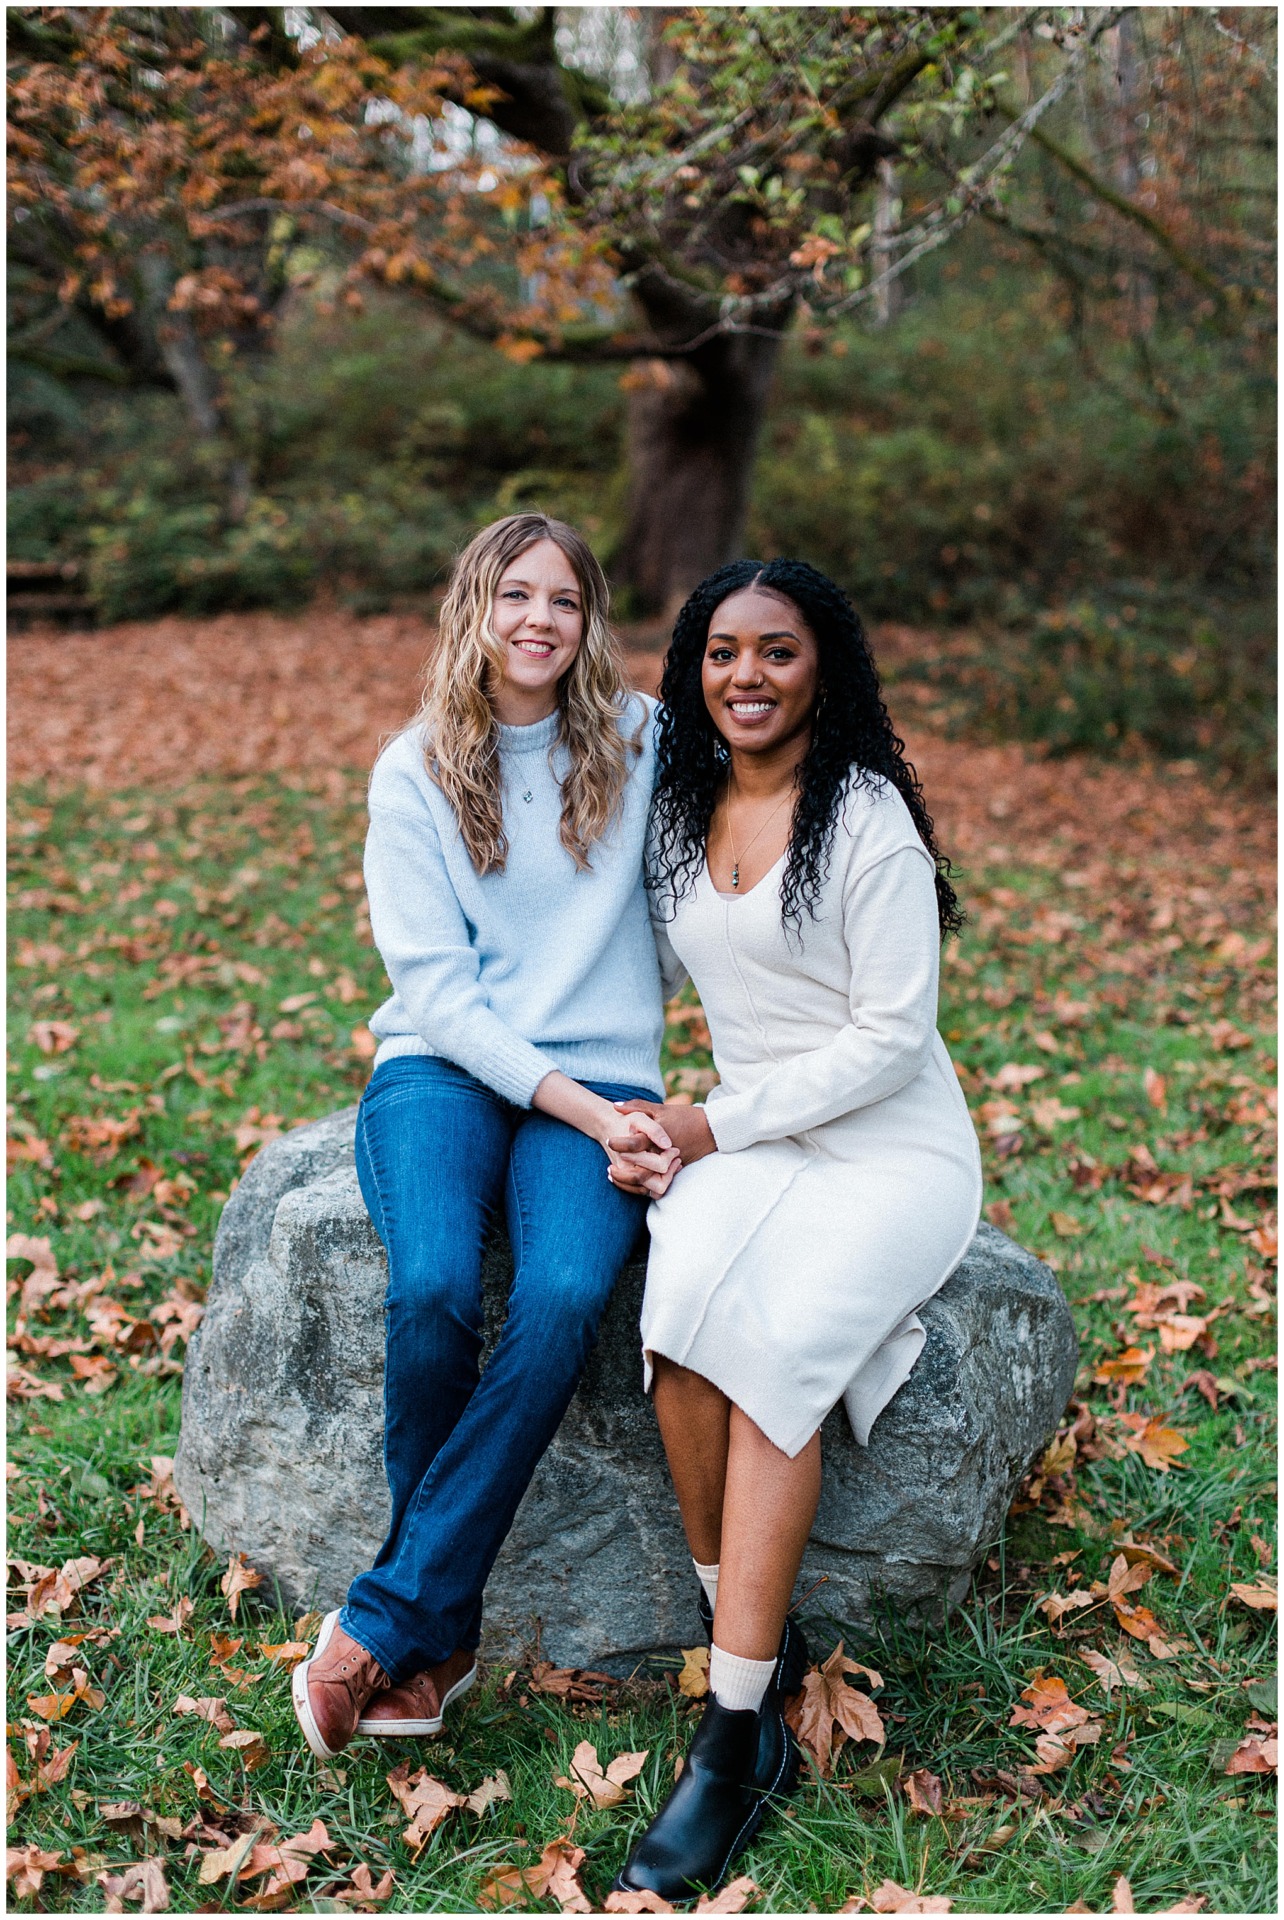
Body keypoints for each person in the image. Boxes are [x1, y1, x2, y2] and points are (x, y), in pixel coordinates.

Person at [609, 558, 983, 1901]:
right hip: (748, 1141)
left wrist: (711, 1123)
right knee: (676, 1337)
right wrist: (636, 1113)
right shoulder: (681, 808)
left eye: (774, 650)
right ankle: (754, 1644)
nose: (746, 676)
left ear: (821, 662)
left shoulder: (865, 814)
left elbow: (893, 1040)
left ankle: (728, 1741)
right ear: (693, 671)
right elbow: (638, 969)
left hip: (888, 1151)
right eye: (721, 653)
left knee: (776, 1374)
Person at [291, 513, 679, 1760]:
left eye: (565, 600)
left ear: (590, 620)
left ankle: (400, 1625)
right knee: (435, 1292)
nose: (540, 621)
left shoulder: (641, 739)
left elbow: (697, 904)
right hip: (443, 1073)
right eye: (516, 594)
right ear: (476, 606)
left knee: (564, 1293)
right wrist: (578, 1104)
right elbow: (444, 1000)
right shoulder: (413, 770)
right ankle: (434, 1632)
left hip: (609, 1075)